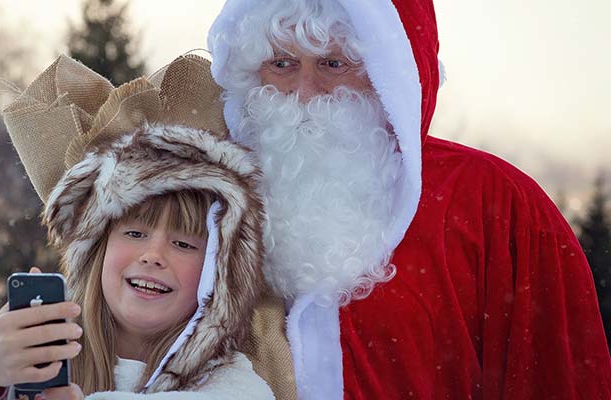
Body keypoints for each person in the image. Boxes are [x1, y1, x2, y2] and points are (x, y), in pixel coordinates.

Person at [207, 0, 611, 398]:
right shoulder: (201, 200)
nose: (304, 92)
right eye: (281, 63)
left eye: (333, 64)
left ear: (387, 73)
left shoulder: (497, 205)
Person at [0, 54, 274, 400]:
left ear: (217, 272)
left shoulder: (234, 388)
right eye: (135, 233)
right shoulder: (41, 362)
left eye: (184, 244)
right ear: (97, 248)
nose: (153, 255)